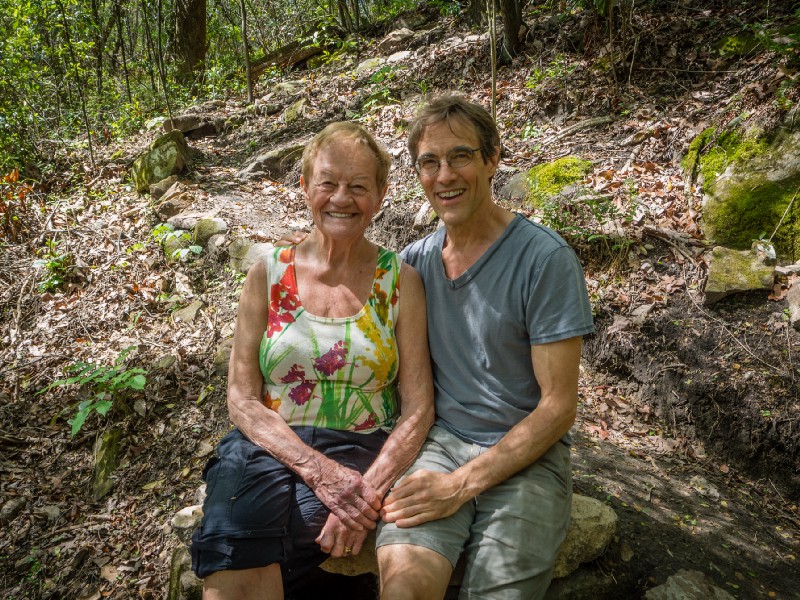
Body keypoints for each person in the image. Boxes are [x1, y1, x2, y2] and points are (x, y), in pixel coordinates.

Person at [281, 95, 594, 599]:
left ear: (492, 160)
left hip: (525, 460)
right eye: (430, 162)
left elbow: (558, 406)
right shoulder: (414, 266)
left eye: (461, 156)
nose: (445, 175)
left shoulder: (544, 260)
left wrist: (461, 485)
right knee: (405, 586)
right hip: (439, 447)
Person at [191, 121, 434, 600]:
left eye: (359, 186)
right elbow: (241, 398)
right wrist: (316, 471)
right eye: (328, 182)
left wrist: (367, 490)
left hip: (359, 444)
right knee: (233, 527)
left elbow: (419, 407)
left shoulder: (401, 280)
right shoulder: (267, 274)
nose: (341, 198)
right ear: (304, 187)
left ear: (380, 195)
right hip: (267, 442)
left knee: (306, 522)